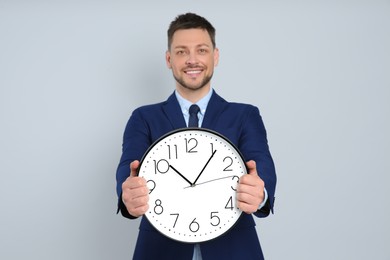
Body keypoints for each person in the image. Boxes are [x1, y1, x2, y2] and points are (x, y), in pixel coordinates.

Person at [116, 12, 277, 260]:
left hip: (234, 250)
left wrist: (260, 192)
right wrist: (127, 193)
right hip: (159, 250)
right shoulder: (143, 117)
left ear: (215, 56)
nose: (192, 60)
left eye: (201, 50)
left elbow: (262, 166)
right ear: (169, 59)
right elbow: (128, 168)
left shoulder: (245, 115)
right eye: (181, 52)